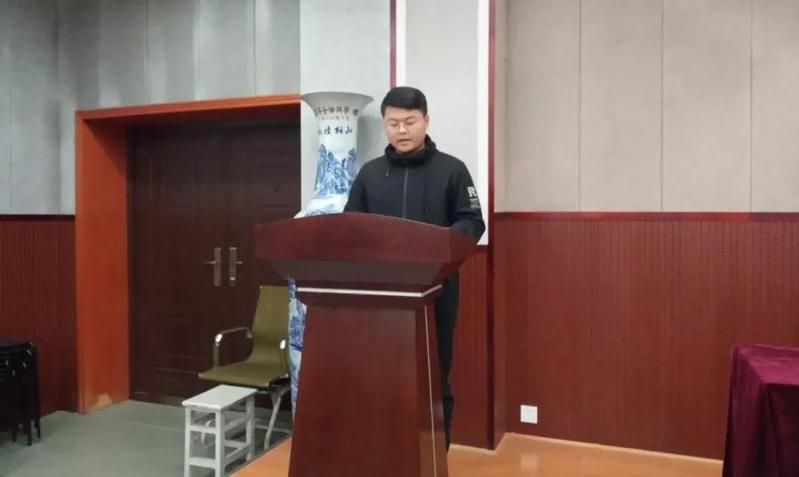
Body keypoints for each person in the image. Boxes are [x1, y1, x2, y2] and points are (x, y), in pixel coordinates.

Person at [344, 86, 485, 449]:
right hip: (380, 298)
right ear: (386, 126)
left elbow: (472, 222)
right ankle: (387, 454)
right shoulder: (370, 174)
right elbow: (350, 227)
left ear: (426, 120)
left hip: (436, 292)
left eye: (409, 121)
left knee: (434, 375)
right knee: (382, 377)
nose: (402, 130)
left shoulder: (452, 169)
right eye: (393, 123)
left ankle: (435, 455)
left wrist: (437, 245)